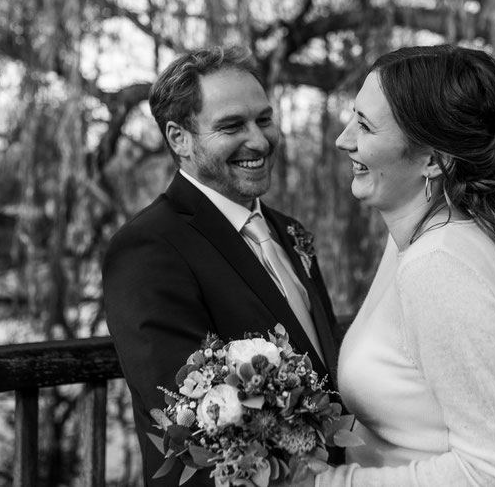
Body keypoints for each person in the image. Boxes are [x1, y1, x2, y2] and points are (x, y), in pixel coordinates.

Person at [306, 44, 495, 486]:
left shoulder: (439, 267)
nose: (343, 139)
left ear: (433, 160)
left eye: (364, 125)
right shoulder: (412, 240)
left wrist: (328, 484)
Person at [102, 46, 341, 487]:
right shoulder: (147, 249)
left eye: (264, 119)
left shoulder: (289, 232)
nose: (259, 140)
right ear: (179, 138)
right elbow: (186, 423)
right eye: (232, 125)